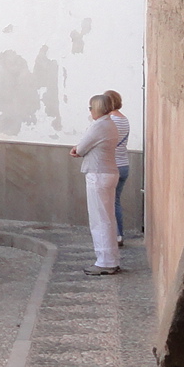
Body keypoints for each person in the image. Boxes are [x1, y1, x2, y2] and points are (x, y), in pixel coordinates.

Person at [71, 95, 122, 275]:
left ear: (97, 108)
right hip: (109, 172)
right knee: (107, 218)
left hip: (98, 174)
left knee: (99, 220)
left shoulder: (99, 126)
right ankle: (111, 259)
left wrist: (77, 149)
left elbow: (81, 148)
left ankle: (105, 261)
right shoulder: (110, 124)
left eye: (91, 107)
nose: (90, 111)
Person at [106, 89, 131, 243]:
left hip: (112, 165)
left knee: (108, 202)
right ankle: (119, 234)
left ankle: (114, 235)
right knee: (115, 201)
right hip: (124, 164)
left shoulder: (110, 121)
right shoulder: (124, 119)